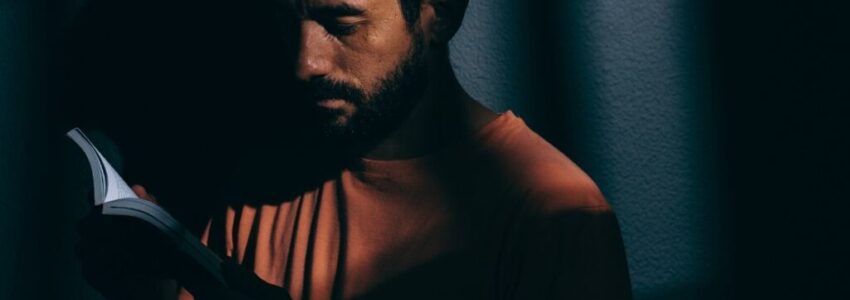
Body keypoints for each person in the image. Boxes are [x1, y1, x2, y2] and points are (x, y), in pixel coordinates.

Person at [74, 0, 633, 299]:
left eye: (341, 22)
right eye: (286, 22)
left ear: (441, 11)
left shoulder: (552, 213)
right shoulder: (260, 169)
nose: (305, 63)